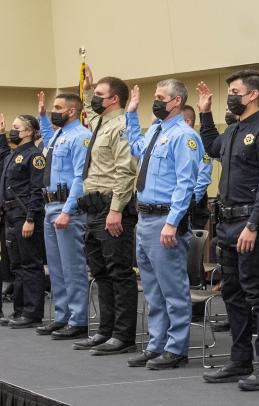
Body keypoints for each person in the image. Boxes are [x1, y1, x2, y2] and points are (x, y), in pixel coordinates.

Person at [197, 70, 259, 390]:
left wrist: (252, 225)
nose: (230, 96)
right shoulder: (233, 130)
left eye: (235, 91)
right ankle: (240, 358)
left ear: (252, 95)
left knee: (258, 296)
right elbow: (213, 148)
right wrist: (205, 113)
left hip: (252, 227)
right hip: (228, 225)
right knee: (232, 294)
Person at [122, 80, 200, 369]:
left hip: (165, 220)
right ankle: (156, 345)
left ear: (176, 101)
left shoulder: (184, 136)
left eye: (160, 98)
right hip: (144, 218)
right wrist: (131, 114)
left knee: (173, 289)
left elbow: (186, 183)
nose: (155, 102)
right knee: (152, 290)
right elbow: (135, 147)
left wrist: (172, 222)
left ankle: (176, 348)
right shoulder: (155, 129)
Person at [73, 65, 139, 356]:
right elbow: (88, 109)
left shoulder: (121, 124)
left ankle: (123, 336)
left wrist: (116, 210)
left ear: (114, 99)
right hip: (94, 207)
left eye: (100, 95)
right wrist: (88, 89)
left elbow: (126, 171)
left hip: (112, 206)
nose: (94, 100)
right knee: (100, 272)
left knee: (119, 272)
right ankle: (106, 330)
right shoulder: (102, 121)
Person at [34, 92, 91, 339]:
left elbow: (81, 177)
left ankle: (78, 319)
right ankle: (62, 315)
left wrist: (68, 210)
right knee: (56, 267)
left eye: (58, 107)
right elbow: (48, 141)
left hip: (67, 206)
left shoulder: (81, 137)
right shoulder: (59, 134)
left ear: (71, 111)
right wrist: (43, 115)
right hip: (50, 206)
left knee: (72, 267)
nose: (54, 110)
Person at [0, 114, 46, 329]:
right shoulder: (13, 154)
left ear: (28, 131)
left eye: (16, 127)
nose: (13, 130)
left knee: (30, 264)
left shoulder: (34, 156)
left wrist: (30, 218)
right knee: (16, 265)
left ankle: (32, 312)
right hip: (10, 215)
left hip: (25, 215)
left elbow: (37, 190)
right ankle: (19, 310)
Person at [182, 105, 212, 231]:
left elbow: (203, 178)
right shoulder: (178, 141)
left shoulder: (200, 142)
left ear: (187, 122)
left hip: (193, 208)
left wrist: (190, 203)